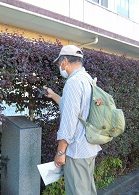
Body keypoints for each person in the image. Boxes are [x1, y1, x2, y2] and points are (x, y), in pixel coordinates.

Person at [43, 45, 102, 195]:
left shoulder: (73, 82)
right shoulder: (88, 79)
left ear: (65, 62)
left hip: (77, 151)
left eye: (59, 64)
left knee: (78, 192)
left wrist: (61, 151)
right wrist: (54, 95)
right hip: (89, 146)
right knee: (88, 190)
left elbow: (69, 121)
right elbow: (75, 108)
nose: (60, 67)